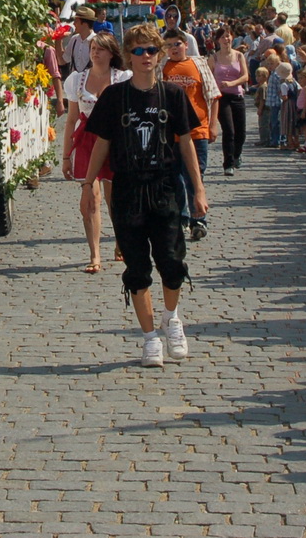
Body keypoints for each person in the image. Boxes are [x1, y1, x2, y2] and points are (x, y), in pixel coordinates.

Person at [81, 23, 209, 368]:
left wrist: (198, 188)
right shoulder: (115, 96)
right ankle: (151, 338)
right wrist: (87, 186)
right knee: (136, 267)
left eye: (151, 50)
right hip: (127, 188)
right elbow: (101, 143)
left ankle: (172, 318)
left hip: (165, 186)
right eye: (137, 51)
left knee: (171, 261)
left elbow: (187, 144)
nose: (145, 57)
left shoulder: (173, 95)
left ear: (160, 54)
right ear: (129, 55)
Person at [62, 32, 128, 273]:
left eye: (100, 49)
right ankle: (95, 254)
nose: (95, 52)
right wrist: (66, 156)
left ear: (111, 53)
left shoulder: (122, 79)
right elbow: (71, 120)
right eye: (93, 48)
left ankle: (121, 241)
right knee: (91, 198)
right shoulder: (77, 80)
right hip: (88, 141)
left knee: (115, 200)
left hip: (115, 140)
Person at [160, 31, 216, 238]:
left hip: (197, 129)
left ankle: (198, 219)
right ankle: (181, 217)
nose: (174, 48)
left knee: (195, 175)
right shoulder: (163, 68)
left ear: (186, 44)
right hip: (171, 133)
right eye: (169, 45)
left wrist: (212, 125)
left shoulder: (198, 65)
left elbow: (212, 94)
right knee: (174, 178)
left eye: (177, 44)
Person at [209, 27, 249, 174]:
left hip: (237, 95)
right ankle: (228, 164)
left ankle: (237, 154)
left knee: (241, 132)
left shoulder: (239, 56)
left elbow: (245, 77)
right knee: (229, 130)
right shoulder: (213, 58)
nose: (226, 40)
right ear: (218, 40)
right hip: (221, 97)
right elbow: (208, 78)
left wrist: (232, 83)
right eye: (223, 37)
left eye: (228, 36)